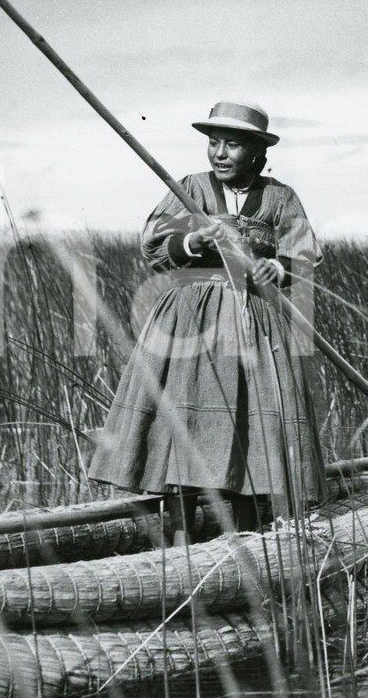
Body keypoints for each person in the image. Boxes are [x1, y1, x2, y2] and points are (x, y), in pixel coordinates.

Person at [89, 101, 329, 544]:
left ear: (256, 151)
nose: (219, 153)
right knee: (183, 423)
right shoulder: (191, 189)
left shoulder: (280, 197)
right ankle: (182, 543)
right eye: (213, 143)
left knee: (251, 426)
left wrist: (280, 267)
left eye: (232, 145)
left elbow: (305, 253)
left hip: (252, 318)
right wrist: (194, 237)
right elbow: (154, 247)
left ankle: (246, 538)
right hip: (189, 318)